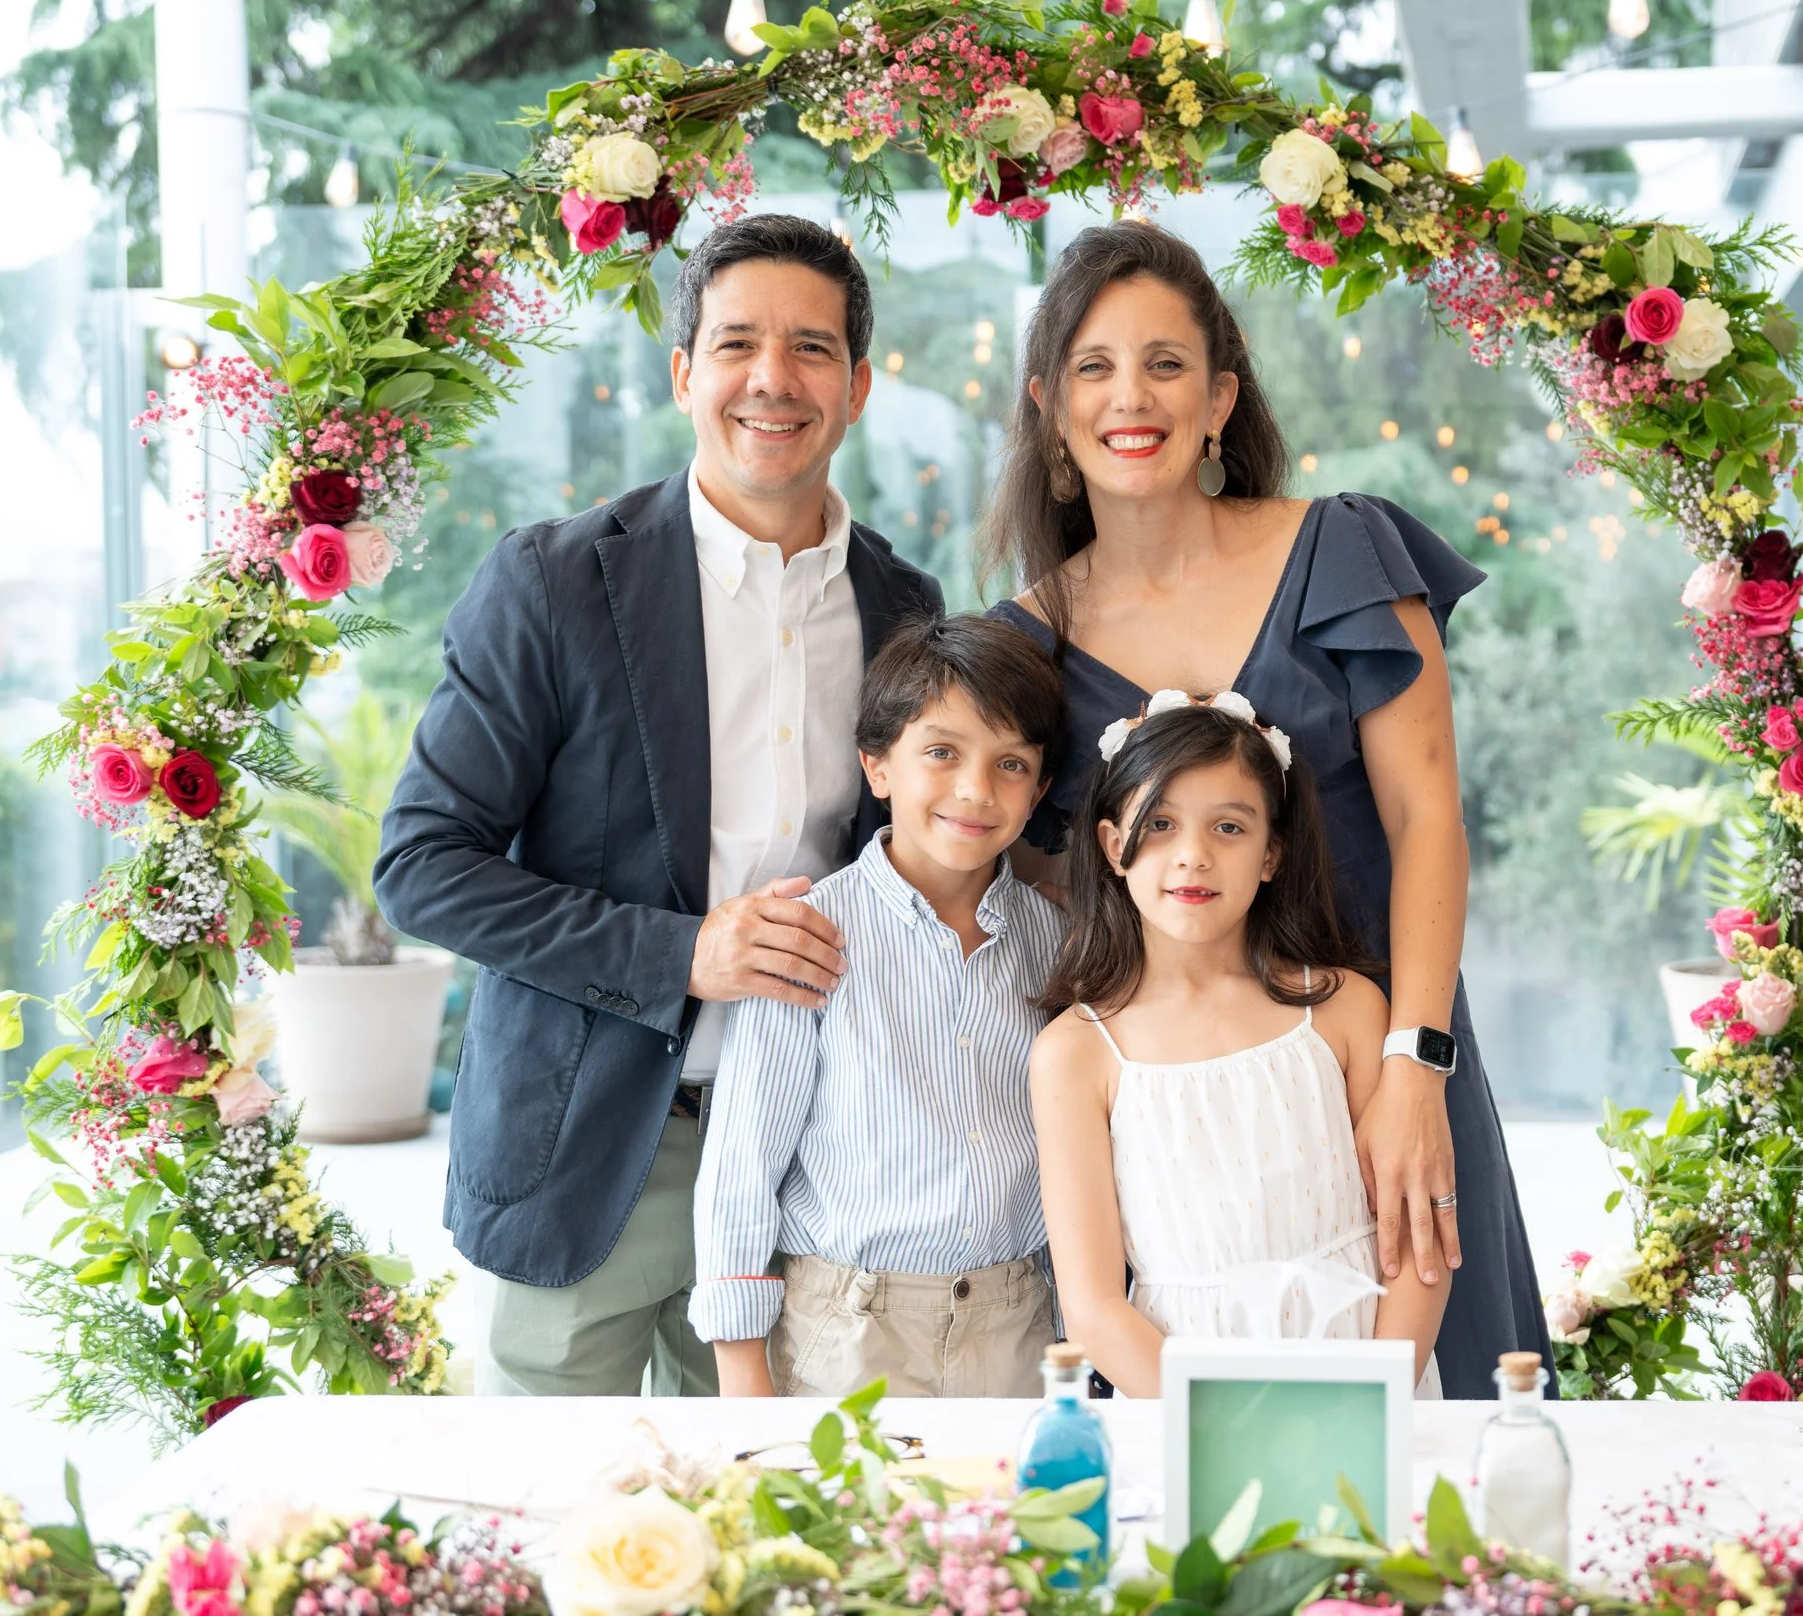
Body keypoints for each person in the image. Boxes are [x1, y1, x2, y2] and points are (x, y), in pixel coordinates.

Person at [373, 215, 943, 1397]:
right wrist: (684, 953)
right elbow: (423, 864)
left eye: (811, 348)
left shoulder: (906, 606)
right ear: (684, 373)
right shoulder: (553, 581)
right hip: (584, 1151)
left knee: (768, 1496)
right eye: (736, 343)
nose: (772, 378)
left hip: (811, 1163)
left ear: (857, 386)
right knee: (555, 1498)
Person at [983, 220, 1551, 1396]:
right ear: (1048, 406)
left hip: (1385, 1049)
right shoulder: (1022, 648)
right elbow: (1044, 879)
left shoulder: (1341, 549)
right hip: (1191, 1129)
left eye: (1165, 363)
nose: (1130, 397)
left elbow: (1428, 819)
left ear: (1220, 398)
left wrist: (1415, 1065)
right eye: (1093, 366)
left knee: (1433, 1402)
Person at [689, 614, 1071, 1398]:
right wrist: (742, 1376)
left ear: (1037, 791)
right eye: (942, 752)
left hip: (1018, 1322)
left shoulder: (1057, 944)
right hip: (845, 1328)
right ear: (877, 764)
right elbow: (742, 1165)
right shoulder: (807, 935)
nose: (975, 789)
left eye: (1011, 764)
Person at [1029, 694, 1448, 1397]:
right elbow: (1094, 1309)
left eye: (1228, 826)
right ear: (1111, 846)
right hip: (1187, 1401)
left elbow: (1416, 1242)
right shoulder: (1076, 1053)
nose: (1193, 855)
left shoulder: (1344, 1009)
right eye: (1159, 824)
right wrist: (1226, 1430)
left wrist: (1366, 1402)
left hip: (1366, 1382)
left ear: (1271, 853)